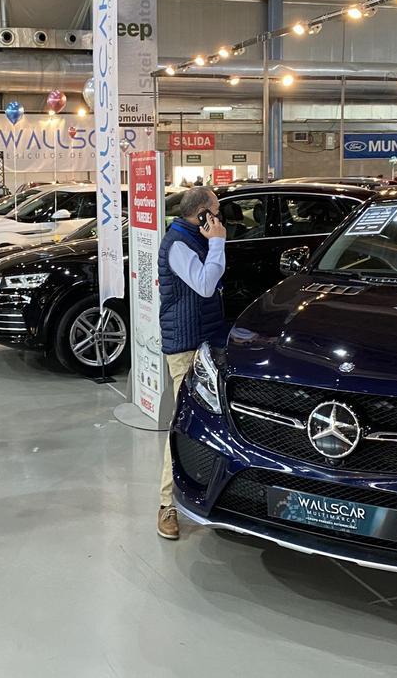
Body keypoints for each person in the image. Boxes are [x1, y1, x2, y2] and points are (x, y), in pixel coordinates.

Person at [155, 186, 228, 540]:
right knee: (183, 425)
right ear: (202, 214)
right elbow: (205, 284)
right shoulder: (179, 245)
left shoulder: (194, 238)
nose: (220, 216)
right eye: (216, 209)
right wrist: (218, 242)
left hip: (205, 342)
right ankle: (166, 504)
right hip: (186, 348)